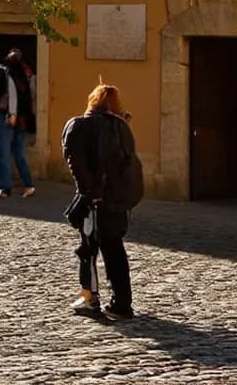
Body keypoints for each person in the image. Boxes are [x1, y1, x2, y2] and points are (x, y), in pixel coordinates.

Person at [62, 84, 141, 321]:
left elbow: (76, 164)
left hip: (96, 197)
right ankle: (121, 303)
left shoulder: (79, 125)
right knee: (115, 248)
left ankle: (90, 298)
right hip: (118, 198)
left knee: (88, 250)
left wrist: (89, 193)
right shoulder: (121, 127)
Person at [0, 49, 36, 198]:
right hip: (23, 121)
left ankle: (5, 188)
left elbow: (11, 96)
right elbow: (31, 96)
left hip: (6, 117)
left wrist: (12, 113)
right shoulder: (25, 74)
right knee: (18, 154)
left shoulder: (4, 73)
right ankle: (29, 185)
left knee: (2, 153)